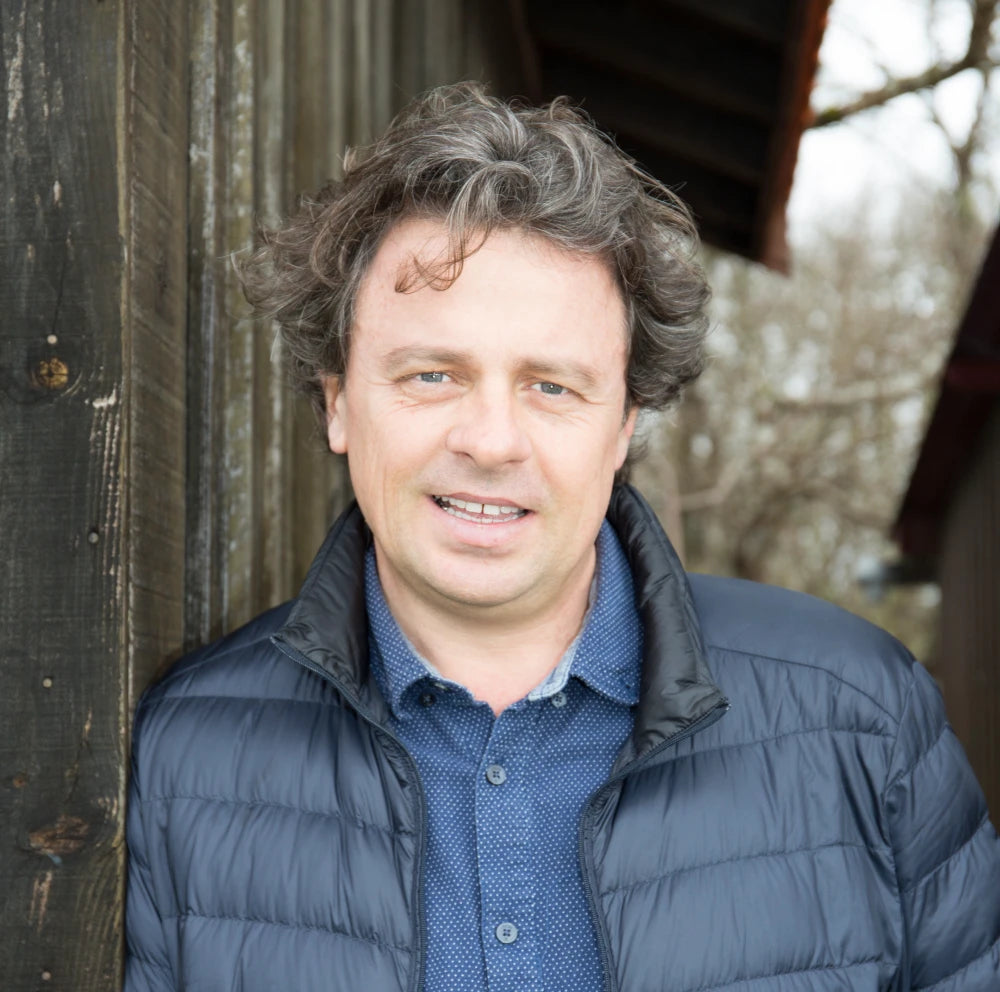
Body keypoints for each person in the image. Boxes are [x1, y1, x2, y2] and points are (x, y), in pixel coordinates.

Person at [125, 83, 1000, 992]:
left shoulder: (859, 713)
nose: (491, 441)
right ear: (339, 400)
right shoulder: (190, 752)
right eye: (431, 375)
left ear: (624, 424)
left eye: (552, 387)